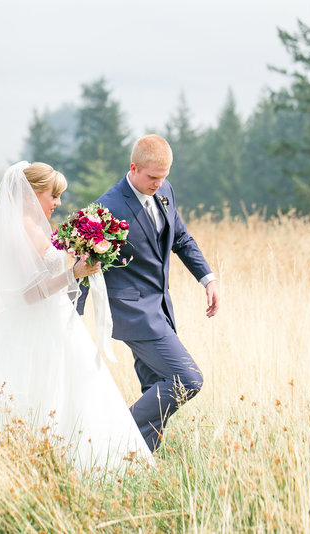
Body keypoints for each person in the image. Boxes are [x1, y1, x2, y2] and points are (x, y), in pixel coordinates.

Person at [0, 161, 152, 473]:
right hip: (34, 322)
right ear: (31, 194)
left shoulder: (35, 226)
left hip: (54, 318)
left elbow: (45, 271)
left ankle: (69, 459)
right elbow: (29, 293)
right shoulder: (20, 229)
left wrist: (82, 253)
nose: (58, 203)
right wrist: (74, 274)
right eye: (53, 195)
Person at [76, 135, 220, 452]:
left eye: (164, 176)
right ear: (134, 167)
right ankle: (113, 438)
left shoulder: (165, 191)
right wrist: (71, 316)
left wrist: (207, 278)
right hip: (132, 314)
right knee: (187, 379)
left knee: (156, 389)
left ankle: (137, 464)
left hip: (161, 308)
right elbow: (83, 264)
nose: (159, 183)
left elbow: (180, 238)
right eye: (153, 177)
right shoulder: (106, 208)